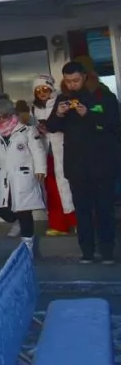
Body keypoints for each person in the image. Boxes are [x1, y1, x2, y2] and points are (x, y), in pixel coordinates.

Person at [46, 61, 120, 264]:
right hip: (76, 166)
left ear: (85, 77)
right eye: (68, 81)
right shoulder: (62, 99)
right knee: (83, 211)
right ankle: (86, 251)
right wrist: (59, 113)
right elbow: (51, 127)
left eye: (76, 80)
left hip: (102, 164)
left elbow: (113, 124)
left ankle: (107, 251)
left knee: (105, 209)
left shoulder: (104, 97)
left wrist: (88, 114)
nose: (72, 85)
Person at [0, 95, 46, 242]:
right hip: (2, 177)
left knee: (24, 210)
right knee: (2, 208)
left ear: (11, 114)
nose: (1, 119)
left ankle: (27, 243)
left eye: (4, 116)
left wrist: (40, 169)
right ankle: (16, 222)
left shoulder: (27, 130)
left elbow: (37, 150)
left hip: (23, 176)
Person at [30, 75, 76, 236]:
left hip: (64, 149)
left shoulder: (61, 101)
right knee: (52, 189)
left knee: (69, 185)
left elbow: (69, 124)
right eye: (38, 90)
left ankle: (75, 221)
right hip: (46, 152)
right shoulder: (34, 108)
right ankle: (59, 224)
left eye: (44, 89)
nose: (41, 93)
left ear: (50, 88)